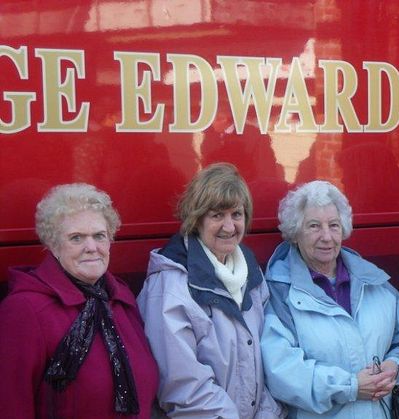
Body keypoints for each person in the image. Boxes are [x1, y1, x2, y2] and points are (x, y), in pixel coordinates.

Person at [261, 180, 399, 418]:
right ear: (295, 233)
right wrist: (351, 386)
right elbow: (281, 370)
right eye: (314, 226)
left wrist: (395, 367)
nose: (326, 236)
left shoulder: (374, 281)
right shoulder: (280, 292)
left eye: (334, 225)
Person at [137, 163, 284, 418]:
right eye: (217, 215)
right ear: (196, 219)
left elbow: (271, 359)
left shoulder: (253, 273)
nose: (229, 227)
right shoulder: (171, 285)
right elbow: (183, 389)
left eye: (236, 214)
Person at [0, 183, 158, 418]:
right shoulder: (25, 310)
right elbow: (12, 405)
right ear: (53, 245)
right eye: (76, 238)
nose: (91, 247)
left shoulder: (120, 298)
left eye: (99, 236)